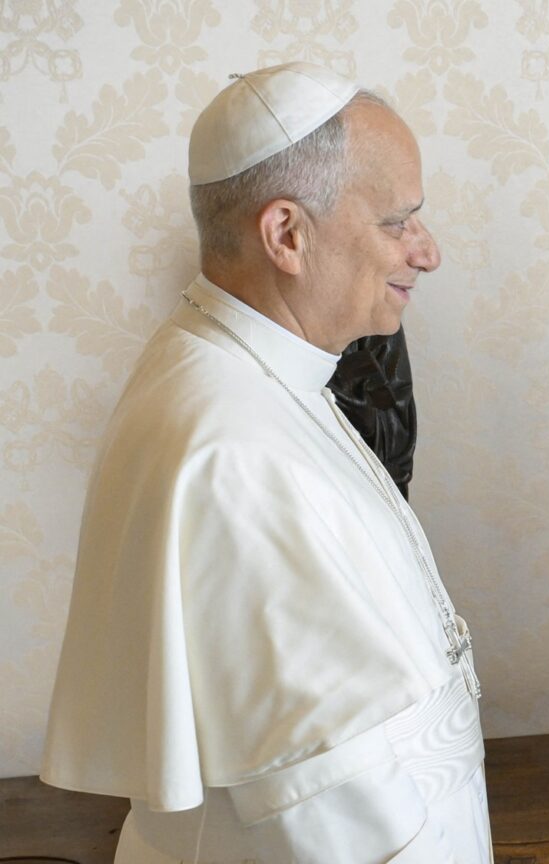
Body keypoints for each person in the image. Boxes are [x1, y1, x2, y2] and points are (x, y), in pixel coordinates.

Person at [40, 62, 491, 862]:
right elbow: (326, 815)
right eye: (398, 222)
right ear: (286, 233)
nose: (428, 251)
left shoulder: (256, 373)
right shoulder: (232, 450)